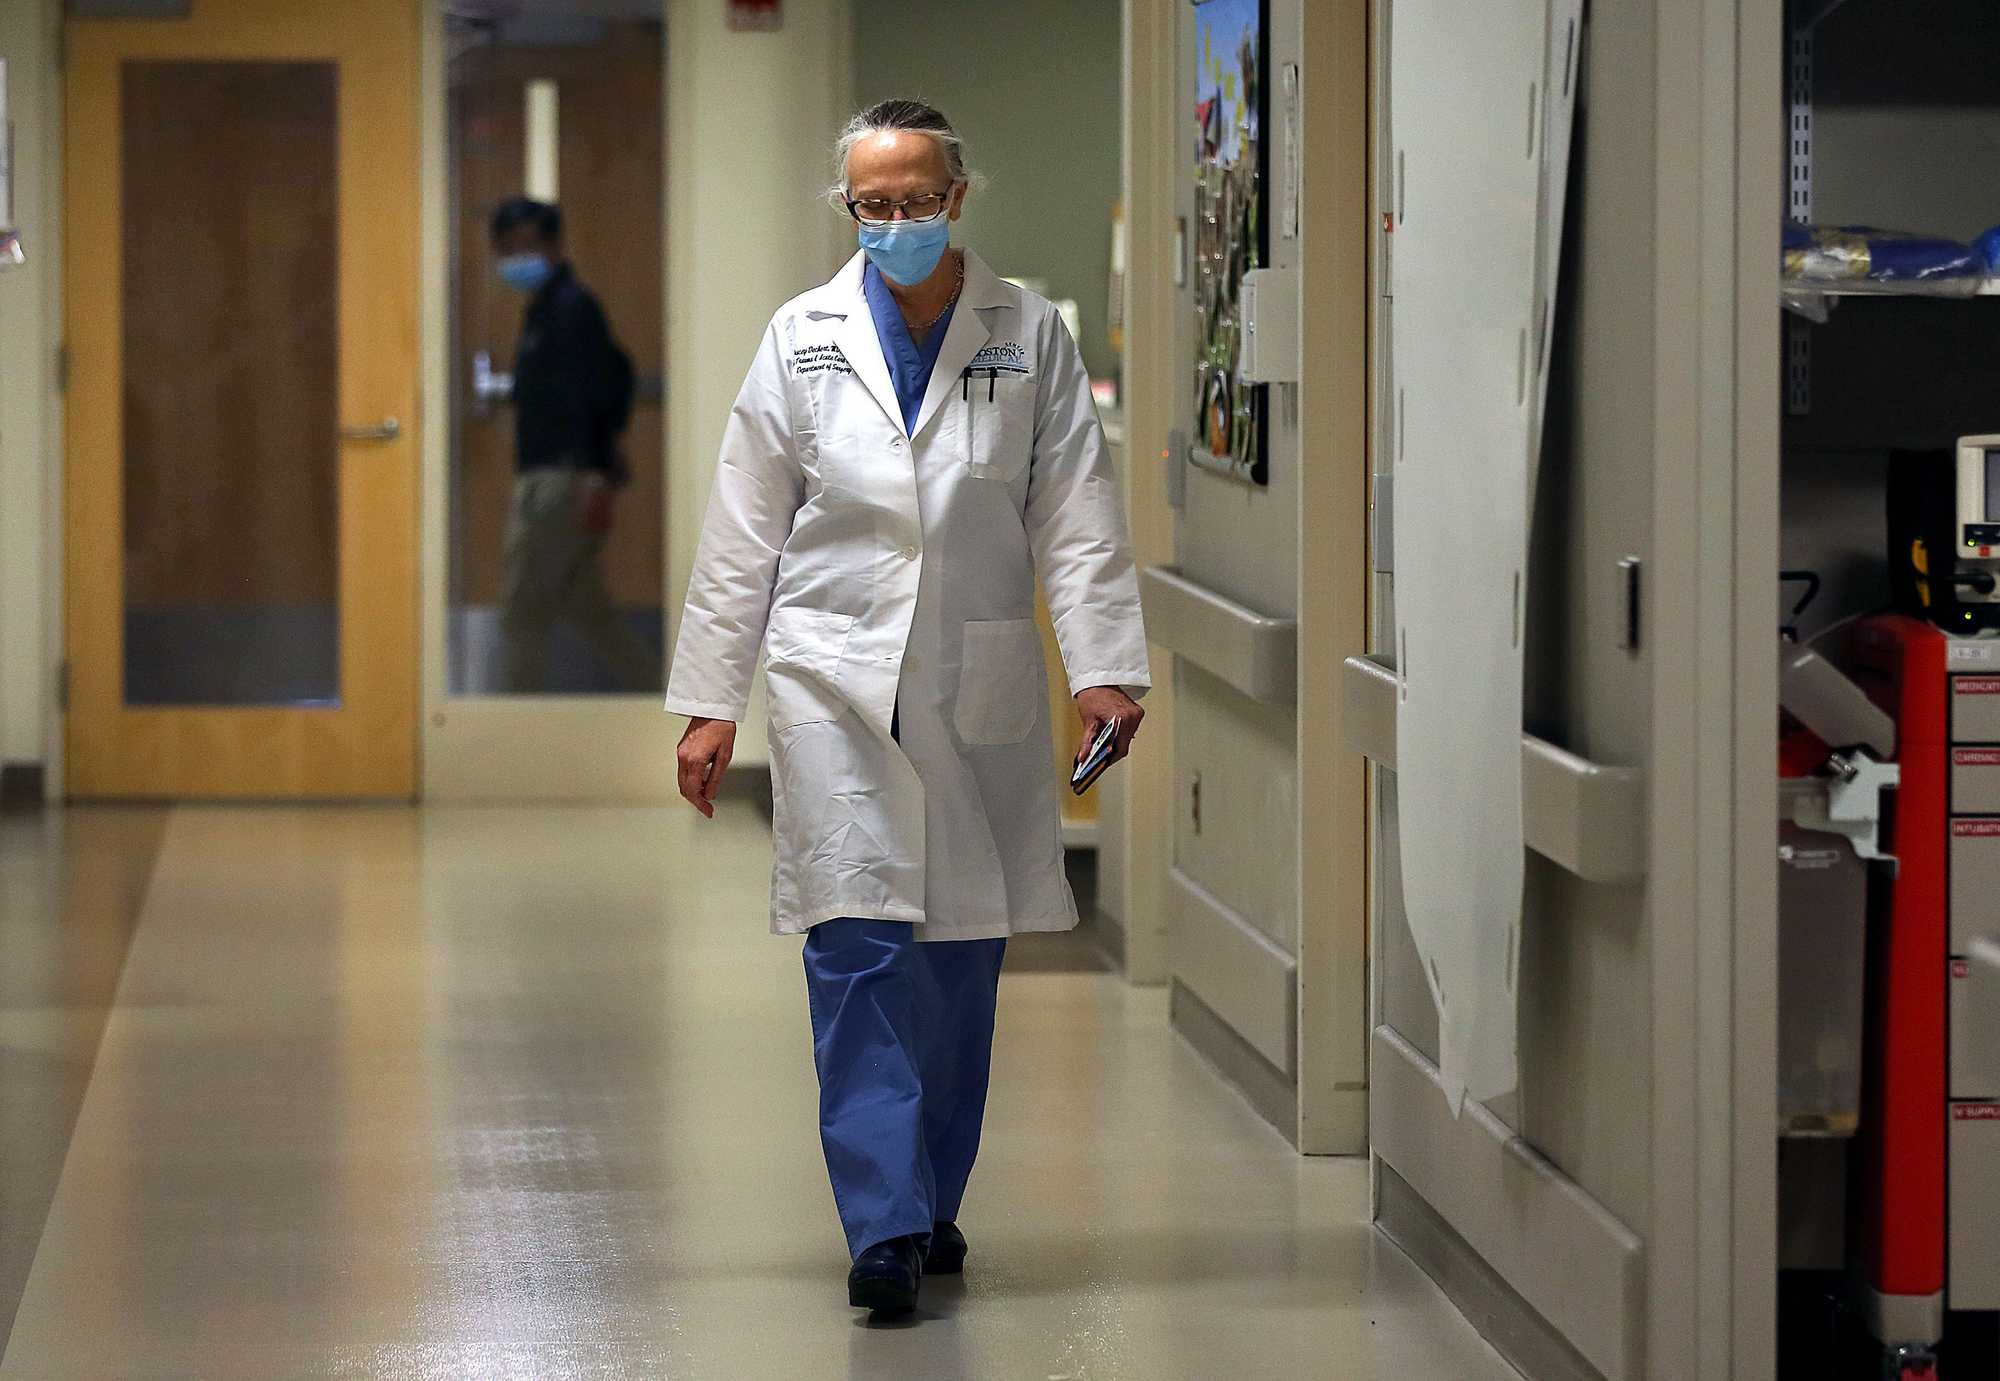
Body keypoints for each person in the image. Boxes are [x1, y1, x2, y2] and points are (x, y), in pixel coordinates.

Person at [664, 100, 1150, 1315]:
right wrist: (709, 701)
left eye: (914, 200)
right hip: (830, 678)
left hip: (971, 674)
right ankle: (881, 1224)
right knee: (856, 941)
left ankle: (933, 1197)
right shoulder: (802, 336)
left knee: (957, 960)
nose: (893, 223)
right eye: (870, 206)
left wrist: (1104, 664)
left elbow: (1076, 516)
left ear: (957, 196)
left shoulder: (1024, 331)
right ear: (849, 210)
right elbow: (742, 529)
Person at [490, 197, 656, 694]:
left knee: (522, 612)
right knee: (587, 608)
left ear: (553, 245)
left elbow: (604, 386)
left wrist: (596, 475)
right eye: (507, 248)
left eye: (528, 245)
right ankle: (655, 692)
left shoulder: (571, 308)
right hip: (553, 473)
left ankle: (514, 730)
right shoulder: (545, 309)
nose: (517, 258)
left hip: (562, 478)